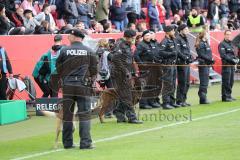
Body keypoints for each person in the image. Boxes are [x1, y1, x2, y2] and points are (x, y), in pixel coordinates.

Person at [56, 29, 97, 149]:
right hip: (83, 86)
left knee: (68, 115)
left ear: (74, 37)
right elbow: (94, 69)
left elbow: (58, 68)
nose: (68, 36)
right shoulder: (89, 51)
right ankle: (85, 143)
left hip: (68, 86)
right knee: (84, 115)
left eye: (70, 35)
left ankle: (67, 143)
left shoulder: (64, 50)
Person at [110, 29, 143, 124]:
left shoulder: (127, 46)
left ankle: (119, 113)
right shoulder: (120, 45)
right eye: (132, 38)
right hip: (119, 74)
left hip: (126, 73)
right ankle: (132, 117)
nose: (133, 40)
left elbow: (129, 60)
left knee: (126, 95)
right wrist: (126, 72)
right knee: (127, 95)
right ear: (127, 37)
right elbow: (116, 60)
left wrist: (133, 72)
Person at [134, 30, 160, 109]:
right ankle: (143, 103)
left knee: (152, 85)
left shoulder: (151, 44)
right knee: (145, 86)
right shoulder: (141, 45)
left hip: (153, 67)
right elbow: (136, 55)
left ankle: (151, 102)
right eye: (146, 36)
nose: (148, 37)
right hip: (145, 68)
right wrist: (142, 64)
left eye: (149, 35)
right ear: (143, 37)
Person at [157, 25, 180, 109]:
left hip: (173, 65)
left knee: (173, 84)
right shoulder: (164, 41)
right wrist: (171, 54)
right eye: (173, 31)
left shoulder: (172, 40)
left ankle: (171, 101)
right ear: (168, 32)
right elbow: (160, 52)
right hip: (167, 65)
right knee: (167, 84)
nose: (174, 32)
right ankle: (166, 103)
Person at [218, 30, 239, 102]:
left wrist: (236, 59)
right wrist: (232, 60)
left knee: (231, 81)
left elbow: (234, 54)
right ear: (224, 35)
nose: (228, 36)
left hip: (232, 65)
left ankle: (229, 95)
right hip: (226, 65)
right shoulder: (222, 44)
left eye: (229, 34)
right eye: (227, 34)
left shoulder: (231, 44)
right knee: (226, 81)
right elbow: (223, 55)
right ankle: (225, 97)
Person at [175, 24, 193, 107]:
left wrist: (190, 57)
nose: (187, 31)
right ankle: (179, 100)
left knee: (187, 83)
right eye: (185, 29)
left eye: (187, 29)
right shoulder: (177, 39)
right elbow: (178, 52)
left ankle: (184, 100)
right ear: (181, 30)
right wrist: (185, 57)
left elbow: (187, 50)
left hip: (186, 63)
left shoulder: (186, 38)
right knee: (182, 82)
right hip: (181, 63)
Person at [195, 30, 215, 104]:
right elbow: (202, 55)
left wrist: (211, 60)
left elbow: (208, 54)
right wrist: (210, 59)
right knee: (203, 82)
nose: (208, 35)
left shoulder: (206, 43)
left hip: (207, 64)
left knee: (205, 82)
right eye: (207, 34)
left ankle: (203, 98)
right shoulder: (200, 44)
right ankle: (202, 98)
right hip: (203, 65)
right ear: (204, 35)